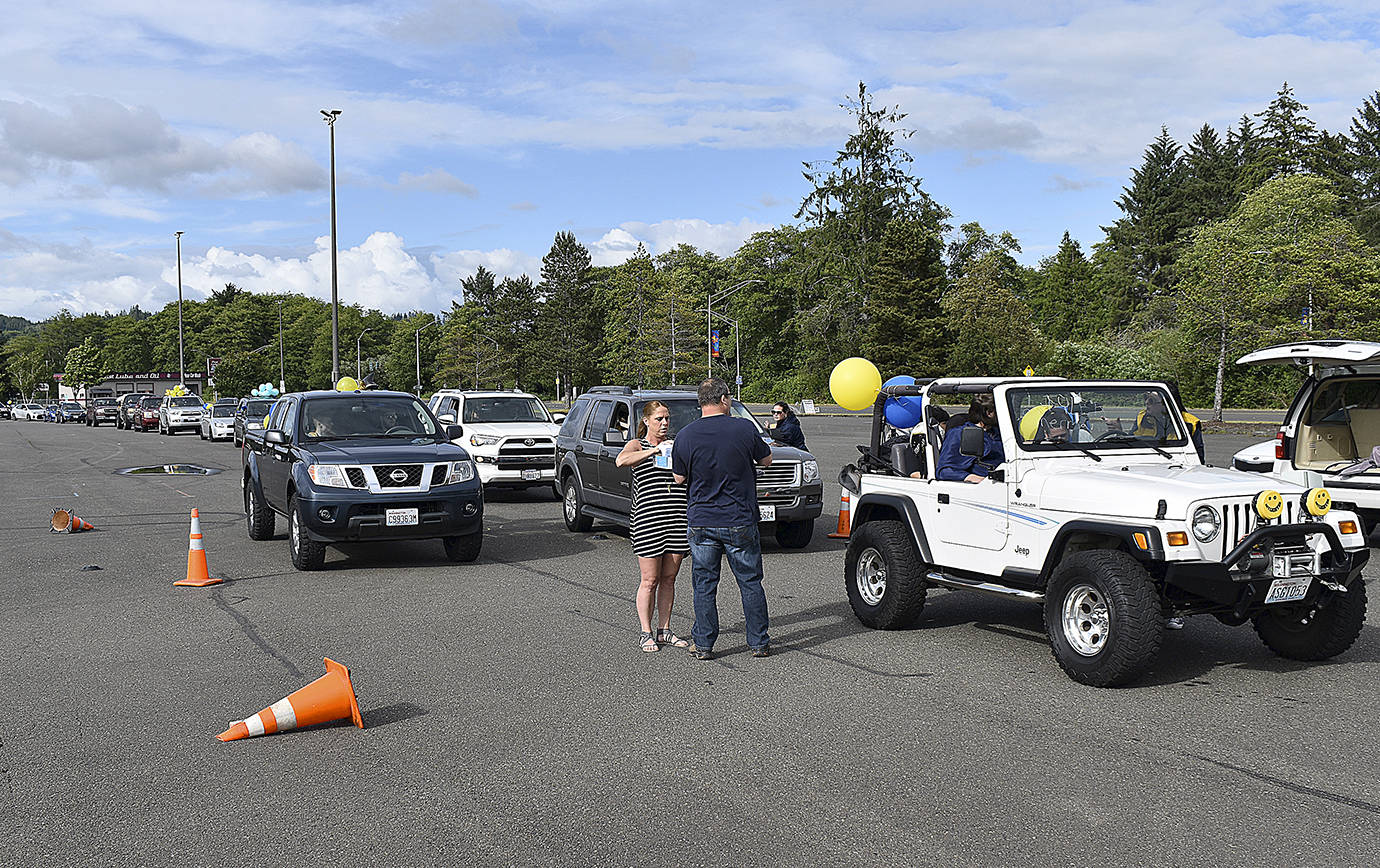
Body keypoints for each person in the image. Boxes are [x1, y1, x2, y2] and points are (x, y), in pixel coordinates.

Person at [671, 378, 773, 660]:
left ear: (700, 402)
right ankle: (759, 642)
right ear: (725, 399)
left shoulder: (686, 435)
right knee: (750, 581)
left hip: (702, 519)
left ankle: (703, 644)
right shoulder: (743, 428)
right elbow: (767, 460)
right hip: (739, 517)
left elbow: (678, 478)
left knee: (704, 583)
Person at [615, 401, 691, 653]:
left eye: (667, 418)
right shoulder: (638, 445)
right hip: (648, 519)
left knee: (669, 578)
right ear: (646, 420)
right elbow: (621, 460)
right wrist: (653, 452)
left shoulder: (675, 444)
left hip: (677, 518)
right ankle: (645, 632)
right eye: (659, 419)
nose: (665, 423)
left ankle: (664, 630)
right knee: (650, 579)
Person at [935, 395, 1005, 483]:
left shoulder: (1001, 432)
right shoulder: (959, 434)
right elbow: (943, 471)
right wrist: (971, 477)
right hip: (983, 486)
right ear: (989, 413)